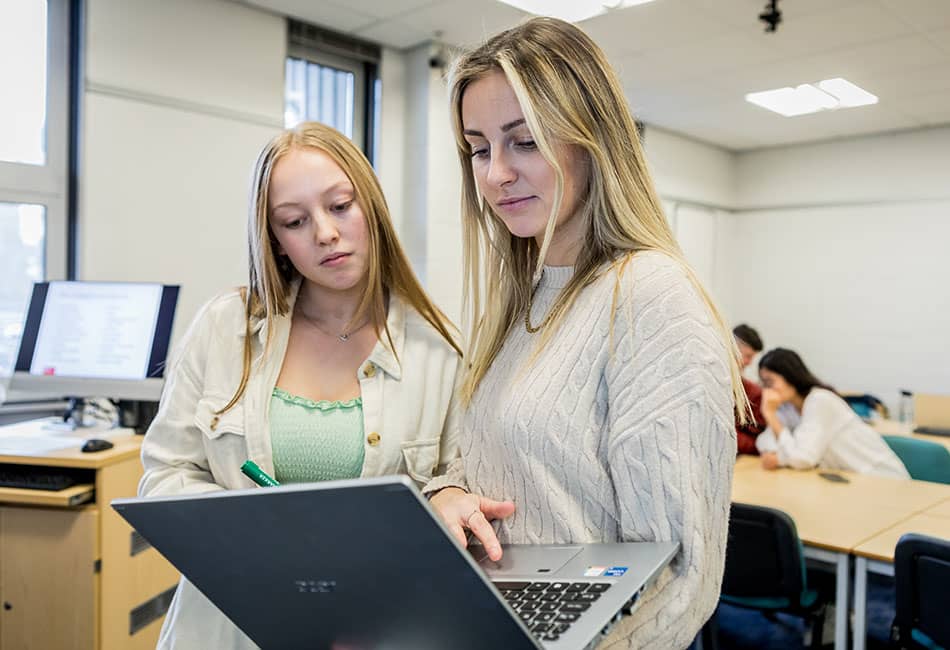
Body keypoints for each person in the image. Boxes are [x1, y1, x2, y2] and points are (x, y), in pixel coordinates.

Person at [422, 18, 748, 649]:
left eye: (524, 142)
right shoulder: (520, 298)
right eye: (480, 148)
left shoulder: (649, 297)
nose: (494, 175)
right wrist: (451, 491)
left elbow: (680, 579)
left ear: (591, 139)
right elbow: (486, 458)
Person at [138, 121, 462, 649]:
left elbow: (455, 488)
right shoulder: (226, 329)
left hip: (378, 627)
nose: (325, 234)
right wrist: (259, 530)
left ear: (372, 208)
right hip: (229, 627)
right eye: (294, 221)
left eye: (340, 206)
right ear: (277, 241)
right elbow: (164, 476)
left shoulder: (440, 349)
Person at [755, 348, 909, 478]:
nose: (766, 390)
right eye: (763, 383)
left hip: (881, 478)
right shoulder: (788, 408)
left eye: (770, 382)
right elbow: (764, 441)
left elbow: (803, 458)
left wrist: (770, 416)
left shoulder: (820, 400)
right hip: (850, 481)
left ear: (790, 377)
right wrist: (778, 453)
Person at [733, 324, 766, 454]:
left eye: (751, 357)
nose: (749, 362)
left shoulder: (753, 392)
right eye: (747, 356)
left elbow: (757, 442)